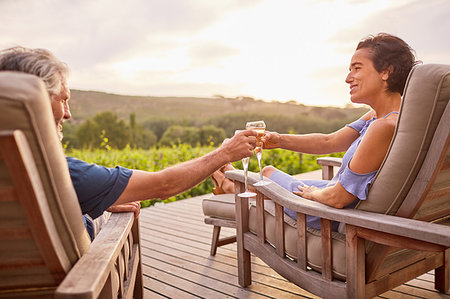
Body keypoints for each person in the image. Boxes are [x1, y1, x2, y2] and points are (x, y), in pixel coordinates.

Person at [0, 46, 257, 239]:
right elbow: (164, 184)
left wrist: (94, 199)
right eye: (63, 100)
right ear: (35, 103)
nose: (68, 113)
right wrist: (224, 153)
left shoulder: (22, 174)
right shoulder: (59, 173)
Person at [212, 33, 419, 231]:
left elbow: (337, 199)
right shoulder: (384, 116)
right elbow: (330, 142)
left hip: (330, 213)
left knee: (266, 175)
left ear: (386, 71)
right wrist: (279, 140)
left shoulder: (382, 127)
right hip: (339, 196)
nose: (348, 78)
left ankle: (229, 187)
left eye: (357, 68)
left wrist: (315, 194)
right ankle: (229, 185)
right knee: (268, 174)